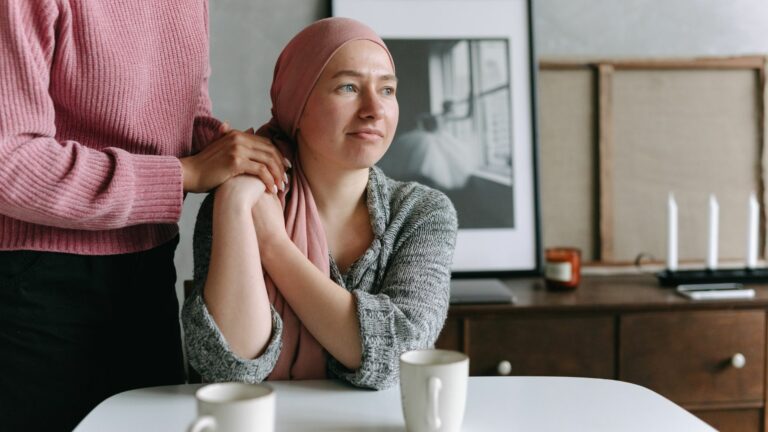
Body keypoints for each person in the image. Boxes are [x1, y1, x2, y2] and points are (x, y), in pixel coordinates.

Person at [0, 2, 288, 430]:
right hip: (37, 284)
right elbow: (11, 164)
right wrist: (185, 173)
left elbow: (182, 121)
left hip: (149, 268)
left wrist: (240, 151)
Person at [182, 17, 458, 389]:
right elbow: (228, 371)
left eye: (388, 90)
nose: (374, 109)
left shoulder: (423, 213)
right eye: (348, 87)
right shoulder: (240, 200)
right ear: (297, 104)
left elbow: (399, 357)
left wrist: (275, 246)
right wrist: (232, 200)